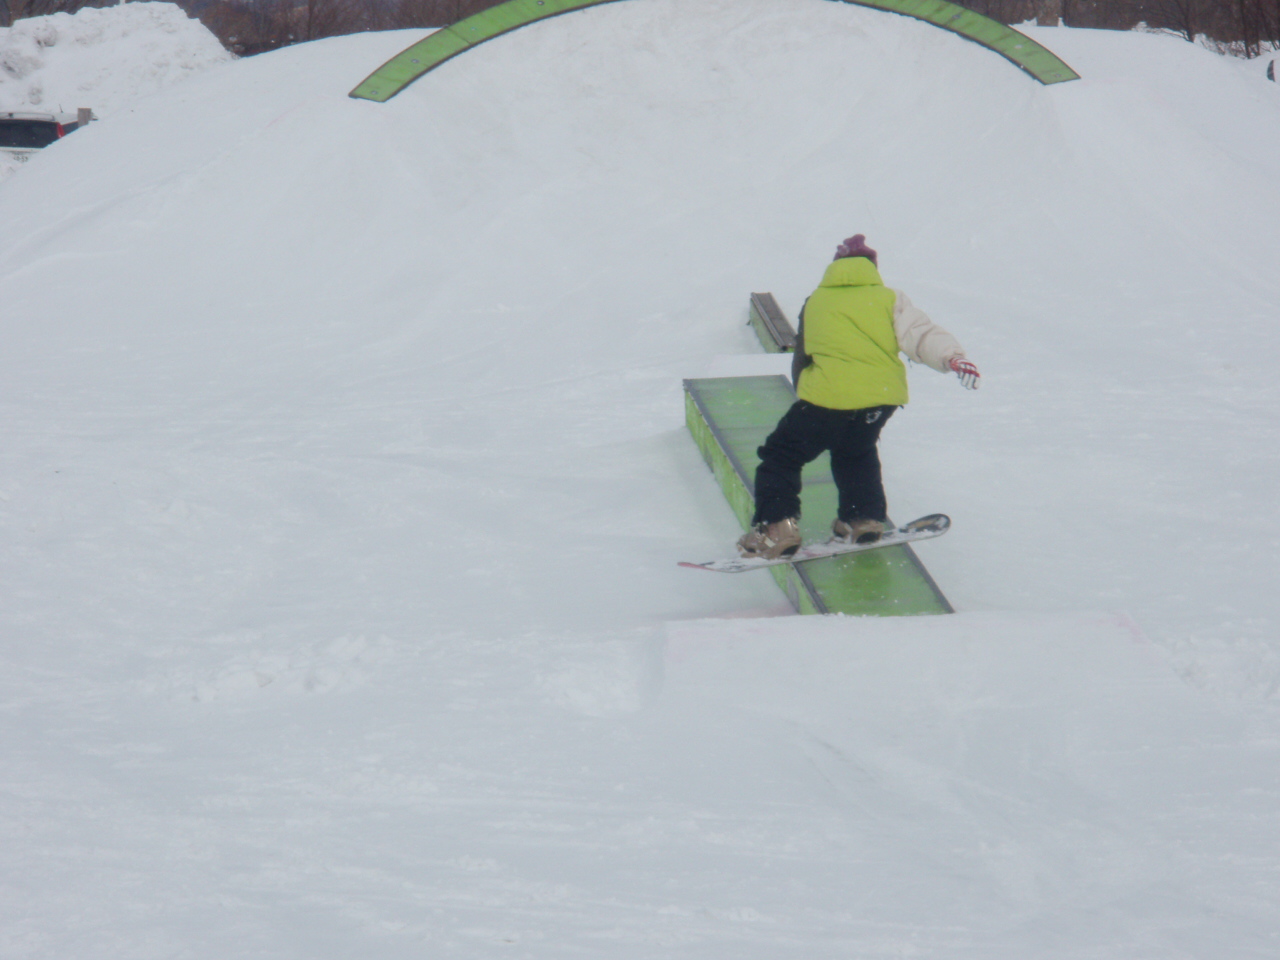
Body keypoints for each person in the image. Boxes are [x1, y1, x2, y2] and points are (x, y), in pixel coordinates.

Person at [736, 234, 980, 559]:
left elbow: (802, 355)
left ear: (836, 266)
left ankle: (776, 529)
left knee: (781, 456)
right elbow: (920, 334)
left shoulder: (818, 300)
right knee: (856, 451)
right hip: (880, 399)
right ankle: (862, 518)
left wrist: (805, 392)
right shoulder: (889, 298)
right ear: (871, 267)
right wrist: (953, 358)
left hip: (828, 399)